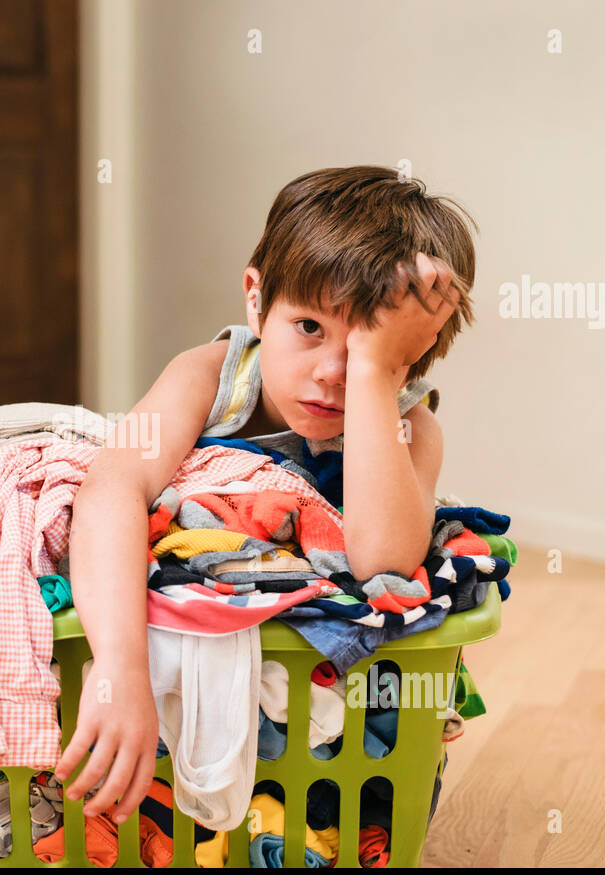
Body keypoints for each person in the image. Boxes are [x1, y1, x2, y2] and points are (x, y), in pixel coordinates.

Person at [51, 165, 478, 827]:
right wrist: (119, 664)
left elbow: (381, 565)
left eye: (368, 348)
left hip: (316, 728)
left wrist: (376, 378)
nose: (332, 373)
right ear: (255, 299)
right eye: (310, 327)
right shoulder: (209, 377)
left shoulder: (410, 427)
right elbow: (111, 488)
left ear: (417, 350)